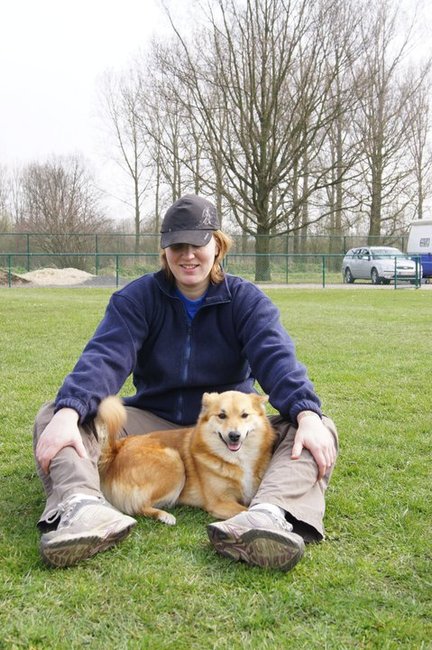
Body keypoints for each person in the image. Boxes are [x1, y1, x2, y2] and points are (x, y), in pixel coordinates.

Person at [34, 194, 338, 570]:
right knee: (58, 413)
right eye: (177, 245)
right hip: (152, 419)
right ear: (165, 252)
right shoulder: (137, 298)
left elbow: (278, 360)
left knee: (314, 425)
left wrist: (306, 413)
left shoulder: (246, 301)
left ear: (218, 246)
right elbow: (104, 358)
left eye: (198, 243)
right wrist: (69, 411)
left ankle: (269, 516)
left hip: (226, 423)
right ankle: (82, 508)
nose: (188, 255)